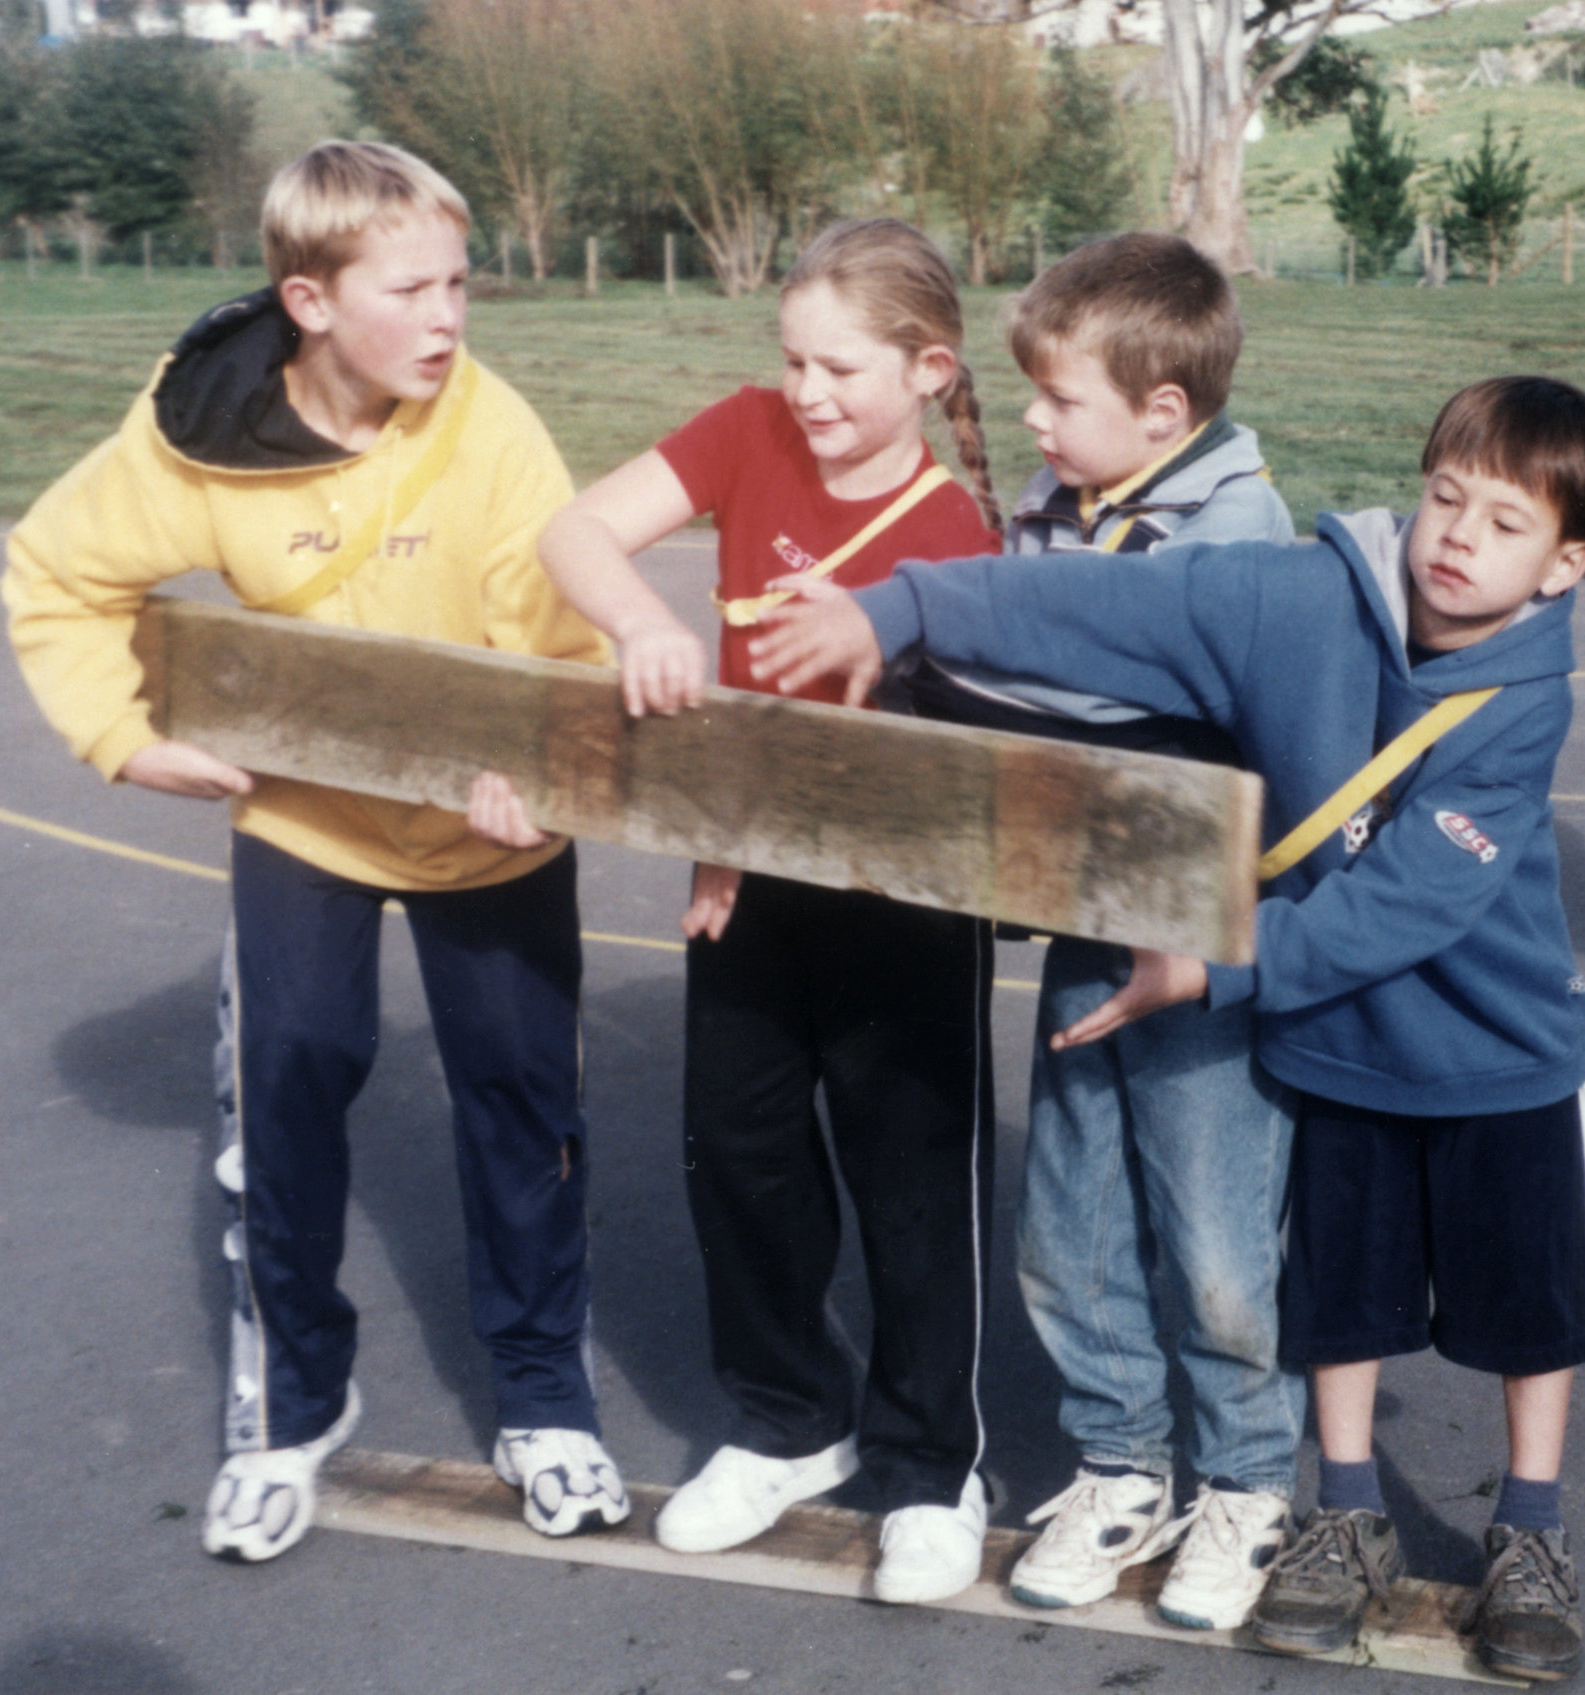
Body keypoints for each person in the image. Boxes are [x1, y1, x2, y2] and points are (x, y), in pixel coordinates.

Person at [751, 375, 1585, 1681]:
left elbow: (1401, 907)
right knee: (1336, 1303)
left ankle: (1531, 1528)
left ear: (1568, 566)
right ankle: (1337, 1510)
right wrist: (896, 607)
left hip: (1489, 1049)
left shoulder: (1524, 702)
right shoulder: (1297, 599)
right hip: (1339, 1044)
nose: (1457, 535)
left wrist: (1216, 970)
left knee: (1524, 1314)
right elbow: (1098, 604)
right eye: (1447, 497)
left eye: (1503, 525)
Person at [1, 141, 627, 1564]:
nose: (450, 316)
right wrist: (123, 735)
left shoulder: (492, 426)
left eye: (461, 283)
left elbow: (564, 629)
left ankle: (543, 1402)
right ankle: (291, 1412)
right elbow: (56, 571)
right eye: (412, 288)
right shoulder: (198, 438)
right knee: (285, 1088)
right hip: (306, 816)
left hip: (489, 831)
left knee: (525, 1118)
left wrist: (543, 777)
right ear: (311, 299)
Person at [476, 218, 1002, 1605]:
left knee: (909, 1185)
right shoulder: (745, 430)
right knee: (742, 1156)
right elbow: (573, 529)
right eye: (793, 360)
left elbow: (944, 777)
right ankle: (789, 1420)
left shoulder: (959, 536)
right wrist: (643, 623)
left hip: (896, 901)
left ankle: (932, 1466)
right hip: (743, 885)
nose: (809, 392)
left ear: (932, 372)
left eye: (841, 368)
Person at [881, 233, 1306, 1631]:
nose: (1035, 426)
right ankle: (1121, 1462)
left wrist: (936, 663)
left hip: (1203, 950)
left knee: (1219, 1239)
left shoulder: (1235, 532)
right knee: (1069, 1218)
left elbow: (1098, 691)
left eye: (1060, 402)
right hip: (1085, 914)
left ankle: (1244, 1481)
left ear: (1164, 415)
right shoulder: (1061, 494)